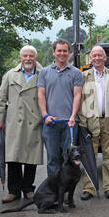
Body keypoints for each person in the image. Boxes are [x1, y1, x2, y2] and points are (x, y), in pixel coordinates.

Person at [0, 45, 44, 203]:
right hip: (14, 120)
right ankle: (13, 191)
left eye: (31, 56)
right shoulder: (10, 75)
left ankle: (28, 188)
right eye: (25, 56)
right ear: (20, 58)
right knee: (13, 156)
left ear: (36, 58)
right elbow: (1, 97)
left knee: (31, 156)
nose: (28, 59)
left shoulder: (43, 74)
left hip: (34, 120)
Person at [78, 45, 109, 200]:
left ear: (105, 58)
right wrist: (83, 123)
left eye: (99, 55)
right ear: (90, 59)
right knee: (90, 156)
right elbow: (80, 100)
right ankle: (88, 188)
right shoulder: (83, 76)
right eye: (93, 56)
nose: (96, 58)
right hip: (90, 121)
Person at [37, 39, 83, 176]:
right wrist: (45, 115)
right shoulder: (44, 72)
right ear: (54, 52)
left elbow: (77, 95)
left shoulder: (75, 73)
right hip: (51, 123)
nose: (62, 54)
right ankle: (53, 190)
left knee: (69, 159)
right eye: (59, 51)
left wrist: (73, 116)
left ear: (69, 53)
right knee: (52, 159)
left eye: (65, 51)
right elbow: (41, 95)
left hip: (70, 123)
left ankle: (67, 191)